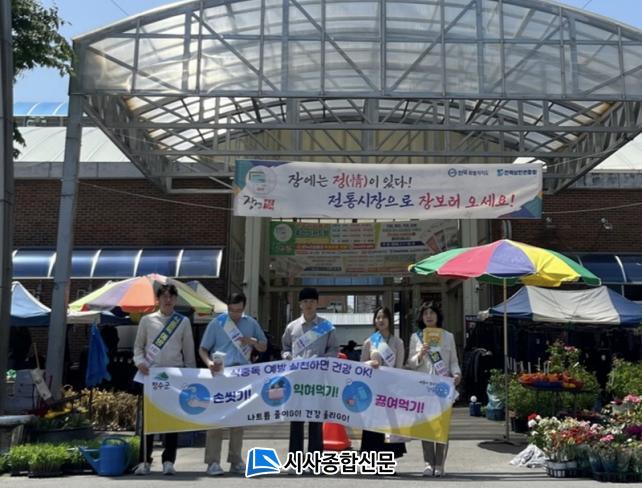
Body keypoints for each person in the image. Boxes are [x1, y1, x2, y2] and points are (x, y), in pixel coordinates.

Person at [199, 293, 267, 476]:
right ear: (227, 307)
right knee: (216, 419)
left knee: (238, 419)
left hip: (242, 375)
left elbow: (263, 346)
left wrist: (252, 341)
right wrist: (208, 363)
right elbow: (203, 349)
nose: (235, 314)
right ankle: (213, 462)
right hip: (221, 374)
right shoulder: (217, 323)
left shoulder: (251, 323)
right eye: (231, 310)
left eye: (238, 310)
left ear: (244, 307)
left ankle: (235, 460)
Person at [132, 284, 196, 476]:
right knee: (149, 420)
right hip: (151, 375)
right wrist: (139, 362)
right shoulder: (147, 320)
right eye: (164, 297)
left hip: (174, 376)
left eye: (171, 297)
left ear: (176, 300)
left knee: (171, 420)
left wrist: (190, 375)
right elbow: (138, 347)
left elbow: (189, 350)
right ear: (158, 299)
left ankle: (169, 461)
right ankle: (144, 461)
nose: (168, 300)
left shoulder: (183, 322)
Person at [282, 287, 339, 455]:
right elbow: (285, 348)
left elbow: (334, 350)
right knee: (296, 420)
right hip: (297, 380)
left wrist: (321, 360)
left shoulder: (326, 327)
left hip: (317, 380)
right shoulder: (292, 327)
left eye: (312, 301)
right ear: (300, 304)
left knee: (316, 420)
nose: (308, 305)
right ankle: (296, 458)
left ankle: (315, 459)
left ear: (317, 303)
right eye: (305, 301)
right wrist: (287, 356)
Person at [407, 301, 461, 477]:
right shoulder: (416, 337)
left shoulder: (448, 336)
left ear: (438, 315)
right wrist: (420, 354)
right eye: (425, 313)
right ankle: (428, 463)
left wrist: (457, 374)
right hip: (423, 387)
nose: (429, 316)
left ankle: (439, 464)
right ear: (421, 317)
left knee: (442, 426)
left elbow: (454, 361)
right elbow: (411, 363)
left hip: (443, 387)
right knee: (426, 426)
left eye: (432, 313)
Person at [359, 306, 407, 459]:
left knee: (389, 426)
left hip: (391, 390)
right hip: (373, 390)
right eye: (378, 317)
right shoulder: (369, 342)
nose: (381, 320)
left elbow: (399, 368)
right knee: (373, 427)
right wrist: (370, 364)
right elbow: (360, 366)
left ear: (390, 320)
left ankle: (388, 461)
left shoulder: (398, 342)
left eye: (384, 317)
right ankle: (372, 461)